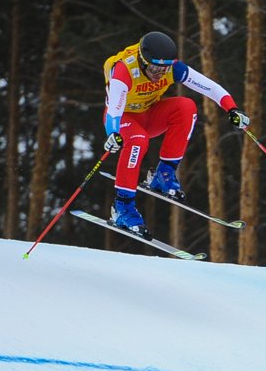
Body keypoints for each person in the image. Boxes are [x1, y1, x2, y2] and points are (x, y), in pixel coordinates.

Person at [102, 31, 249, 238]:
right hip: (124, 119)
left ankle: (163, 175)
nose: (159, 73)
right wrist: (112, 133)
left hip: (149, 116)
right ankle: (122, 208)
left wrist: (232, 109)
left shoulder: (172, 68)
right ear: (143, 61)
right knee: (138, 142)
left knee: (187, 107)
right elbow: (114, 110)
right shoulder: (125, 69)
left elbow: (210, 87)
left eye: (164, 68)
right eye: (154, 68)